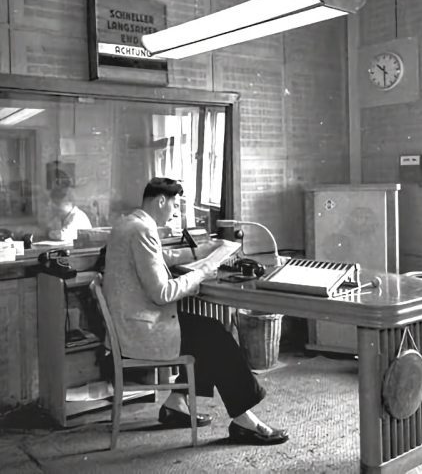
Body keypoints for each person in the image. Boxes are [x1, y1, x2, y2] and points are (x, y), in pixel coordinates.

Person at [103, 177, 288, 445]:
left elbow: (157, 259)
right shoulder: (142, 230)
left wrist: (200, 252)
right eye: (174, 205)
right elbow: (162, 293)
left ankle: (177, 403)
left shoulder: (129, 223)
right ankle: (243, 420)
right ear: (161, 200)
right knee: (215, 335)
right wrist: (202, 272)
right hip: (142, 330)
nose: (175, 212)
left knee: (207, 330)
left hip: (130, 323)